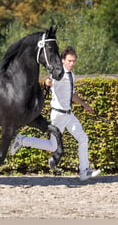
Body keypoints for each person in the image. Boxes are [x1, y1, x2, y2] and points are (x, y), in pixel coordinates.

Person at [10, 46, 101, 181]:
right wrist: (47, 82)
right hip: (58, 115)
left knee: (83, 138)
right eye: (69, 61)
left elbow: (72, 94)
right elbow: (49, 81)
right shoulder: (58, 73)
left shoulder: (72, 75)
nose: (72, 64)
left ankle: (84, 171)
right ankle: (23, 140)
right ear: (63, 60)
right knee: (53, 146)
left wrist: (85, 105)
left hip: (69, 115)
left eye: (73, 61)